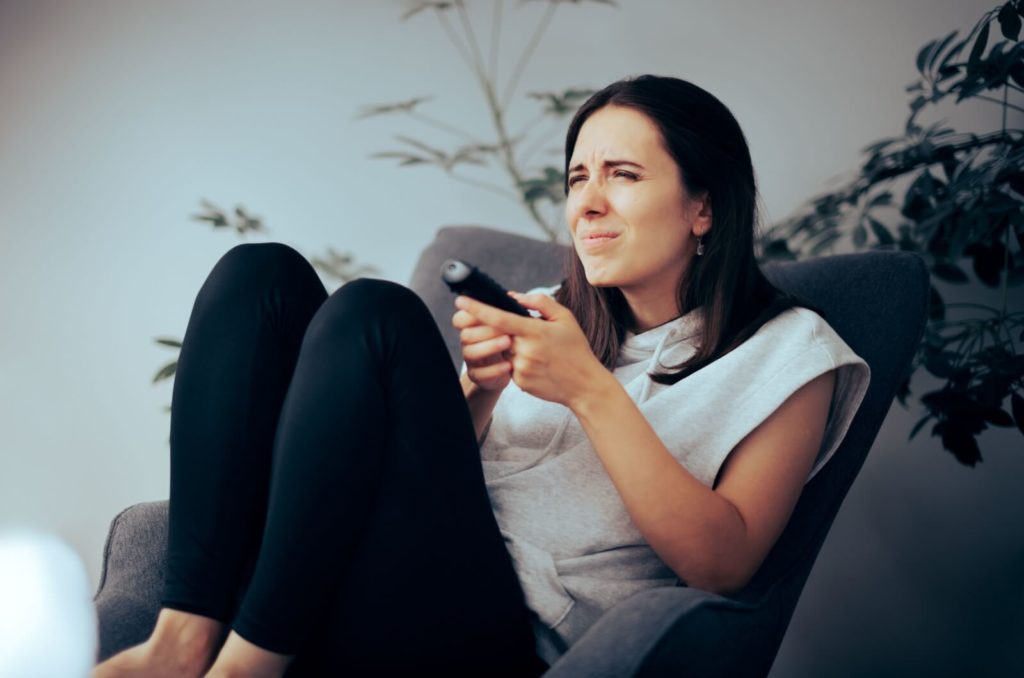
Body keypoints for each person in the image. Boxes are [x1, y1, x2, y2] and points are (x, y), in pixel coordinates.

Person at [93, 74, 870, 677]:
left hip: (489, 642)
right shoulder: (552, 318)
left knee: (376, 316)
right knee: (258, 276)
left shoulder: (791, 355)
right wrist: (481, 390)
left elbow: (726, 562)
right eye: (577, 178)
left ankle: (247, 667)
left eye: (623, 175)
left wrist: (590, 391)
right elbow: (435, 486)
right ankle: (184, 639)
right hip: (353, 579)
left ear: (703, 206)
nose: (588, 203)